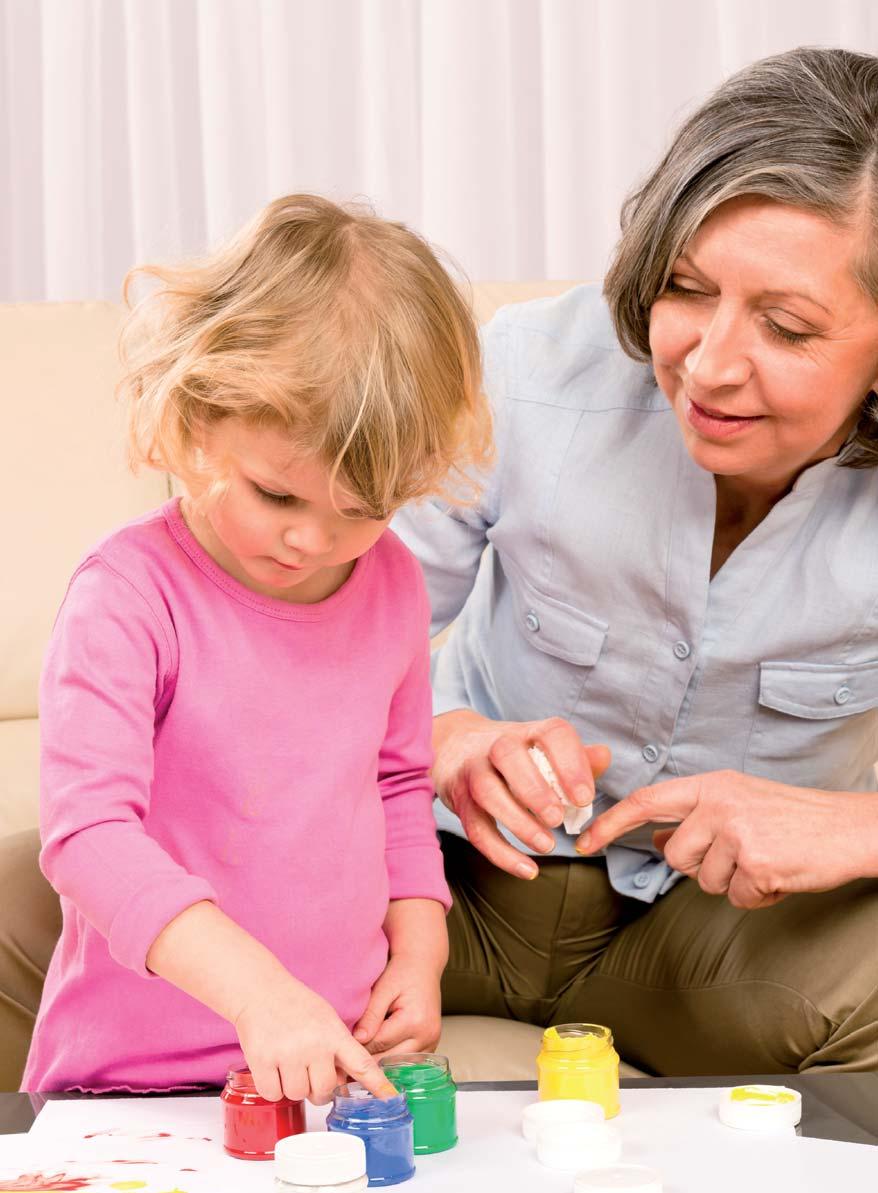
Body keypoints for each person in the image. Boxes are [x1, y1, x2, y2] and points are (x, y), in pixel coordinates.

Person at [392, 46, 878, 1074]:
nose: (706, 366)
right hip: (443, 883)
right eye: (684, 289)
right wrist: (441, 737)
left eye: (785, 326)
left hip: (724, 940)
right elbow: (298, 637)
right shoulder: (525, 369)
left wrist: (854, 829)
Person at [19, 194, 491, 1099]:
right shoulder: (128, 595)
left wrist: (421, 947)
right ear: (198, 415)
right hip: (133, 1079)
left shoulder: (391, 582)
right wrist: (259, 994)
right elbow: (87, 835)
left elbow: (395, 783)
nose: (311, 541)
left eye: (362, 511)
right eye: (278, 496)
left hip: (328, 1067)